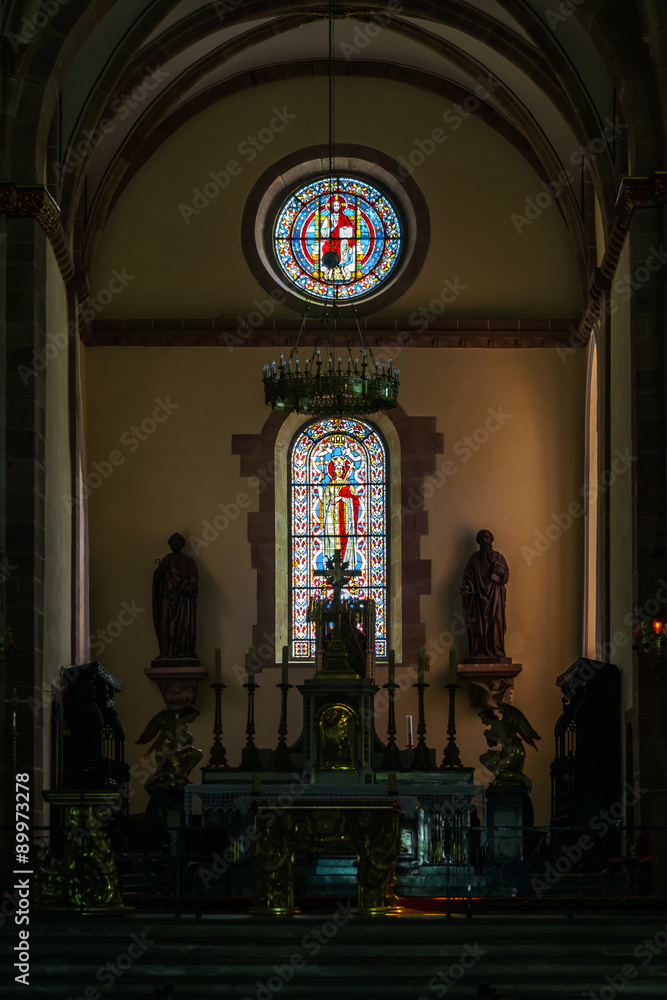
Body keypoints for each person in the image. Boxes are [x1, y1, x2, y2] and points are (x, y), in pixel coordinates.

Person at [461, 529, 509, 658]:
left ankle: (497, 649)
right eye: (481, 539)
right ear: (478, 542)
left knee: (497, 620)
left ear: (491, 539)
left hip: (496, 595)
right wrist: (468, 585)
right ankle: (480, 651)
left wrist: (501, 573)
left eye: (487, 537)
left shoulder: (499, 558)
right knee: (480, 623)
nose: (484, 541)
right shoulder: (474, 559)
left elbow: (506, 577)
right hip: (478, 598)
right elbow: (467, 577)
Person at [152, 533, 199, 658]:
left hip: (183, 598)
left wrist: (189, 586)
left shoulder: (189, 560)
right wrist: (160, 574)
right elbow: (158, 577)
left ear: (182, 543)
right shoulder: (166, 561)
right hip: (168, 599)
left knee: (184, 623)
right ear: (170, 543)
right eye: (173, 540)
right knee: (166, 623)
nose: (176, 542)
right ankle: (167, 652)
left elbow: (194, 576)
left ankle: (182, 650)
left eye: (178, 540)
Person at [321, 452, 360, 566]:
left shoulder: (348, 485)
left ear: (344, 470)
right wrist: (320, 481)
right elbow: (324, 501)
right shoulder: (329, 486)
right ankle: (331, 565)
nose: (339, 471)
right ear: (333, 470)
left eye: (341, 468)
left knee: (345, 540)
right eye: (336, 468)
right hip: (331, 520)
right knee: (332, 540)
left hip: (345, 518)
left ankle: (346, 563)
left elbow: (355, 500)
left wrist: (341, 498)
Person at [320, 194, 356, 280]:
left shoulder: (344, 217)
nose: (336, 207)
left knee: (344, 246)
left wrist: (348, 229)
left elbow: (350, 228)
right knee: (327, 248)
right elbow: (323, 230)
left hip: (342, 238)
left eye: (337, 205)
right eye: (334, 205)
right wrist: (331, 229)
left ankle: (342, 267)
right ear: (332, 207)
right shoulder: (328, 218)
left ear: (340, 207)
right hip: (332, 239)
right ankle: (331, 268)